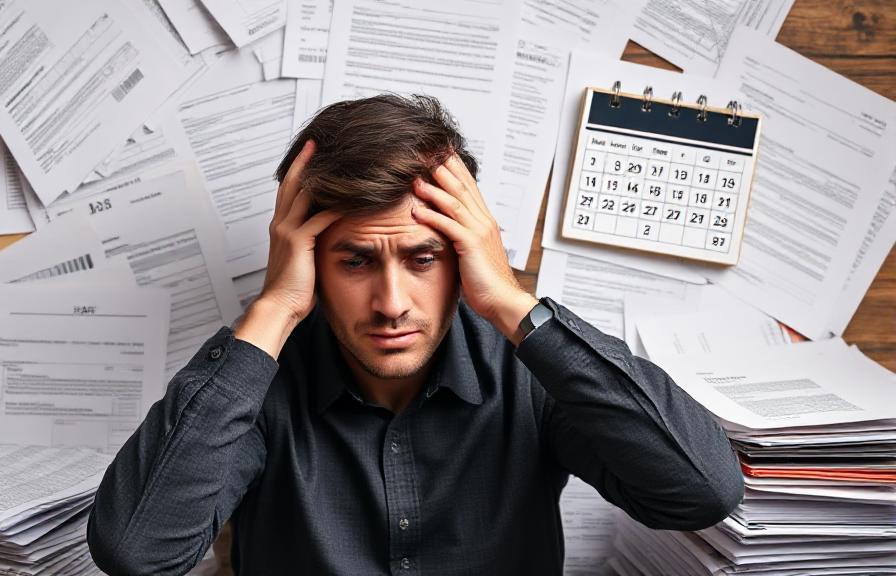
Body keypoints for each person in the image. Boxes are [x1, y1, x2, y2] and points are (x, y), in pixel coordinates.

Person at [87, 94, 743, 575]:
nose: (392, 303)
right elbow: (138, 552)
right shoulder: (257, 380)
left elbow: (700, 490)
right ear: (311, 260)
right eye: (356, 261)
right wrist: (276, 306)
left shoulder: (532, 373)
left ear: (464, 254)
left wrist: (512, 302)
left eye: (422, 259)